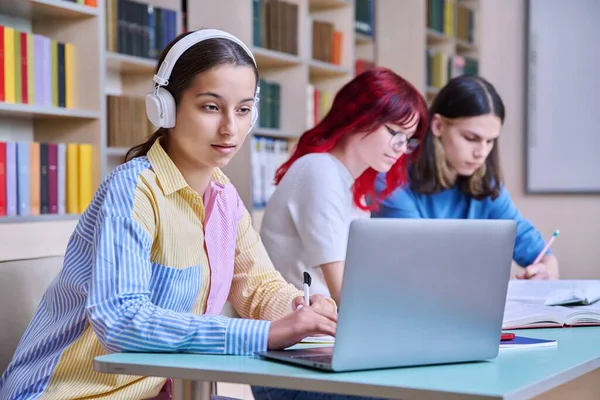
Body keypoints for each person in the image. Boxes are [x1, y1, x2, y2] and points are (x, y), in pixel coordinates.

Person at [0, 29, 337, 400]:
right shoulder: (132, 190)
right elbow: (121, 319)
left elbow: (258, 287)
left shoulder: (224, 199)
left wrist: (301, 309)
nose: (230, 127)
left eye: (242, 110)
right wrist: (265, 334)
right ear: (165, 106)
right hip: (71, 394)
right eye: (211, 106)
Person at [258, 67, 428, 306]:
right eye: (395, 132)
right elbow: (344, 294)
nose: (401, 147)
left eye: (408, 138)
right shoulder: (321, 171)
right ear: (361, 117)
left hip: (320, 327)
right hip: (301, 332)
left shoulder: (346, 183)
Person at [372, 75, 559, 280]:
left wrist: (544, 270)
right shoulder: (392, 179)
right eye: (471, 138)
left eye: (490, 141)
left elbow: (544, 258)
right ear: (438, 126)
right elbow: (421, 265)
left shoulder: (485, 185)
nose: (481, 152)